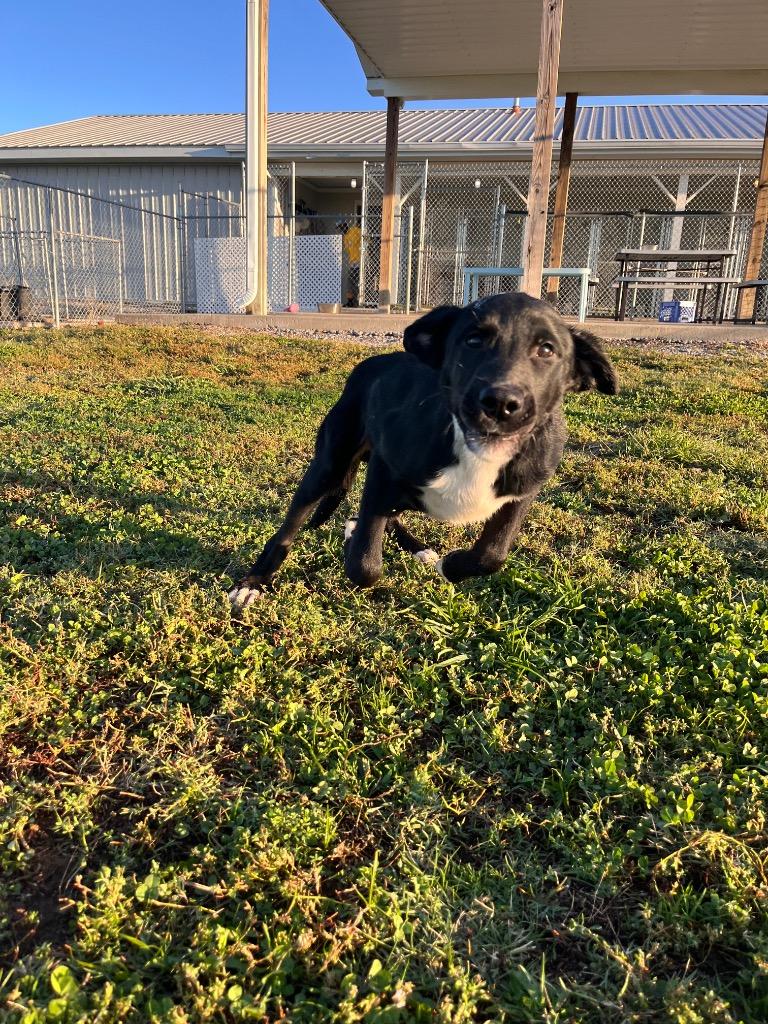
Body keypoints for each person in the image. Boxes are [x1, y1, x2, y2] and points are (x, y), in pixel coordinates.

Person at [342, 221, 362, 306]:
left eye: (343, 226)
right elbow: (347, 249)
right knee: (350, 282)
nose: (342, 229)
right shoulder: (345, 237)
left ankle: (358, 301)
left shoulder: (355, 230)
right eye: (340, 228)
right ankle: (350, 301)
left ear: (346, 225)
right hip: (352, 262)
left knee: (358, 282)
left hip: (359, 260)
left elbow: (363, 237)